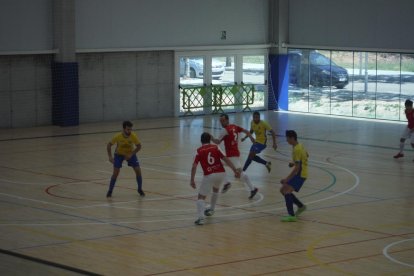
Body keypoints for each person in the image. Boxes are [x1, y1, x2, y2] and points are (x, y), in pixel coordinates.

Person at [190, 132, 240, 225]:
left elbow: (194, 166)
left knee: (201, 197)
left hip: (209, 174)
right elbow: (226, 159)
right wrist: (234, 170)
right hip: (221, 173)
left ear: (201, 141)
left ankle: (201, 218)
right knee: (215, 189)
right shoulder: (216, 147)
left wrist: (192, 179)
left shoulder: (198, 151)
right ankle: (211, 209)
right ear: (209, 140)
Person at [210, 113, 259, 199]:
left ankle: (250, 188)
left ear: (227, 120)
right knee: (218, 165)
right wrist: (251, 138)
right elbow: (246, 131)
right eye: (220, 121)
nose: (222, 122)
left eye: (223, 120)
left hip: (231, 155)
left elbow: (217, 142)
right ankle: (250, 188)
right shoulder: (234, 126)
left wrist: (211, 137)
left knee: (239, 172)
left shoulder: (225, 130)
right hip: (233, 154)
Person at [106, 120, 145, 198]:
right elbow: (109, 145)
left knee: (138, 170)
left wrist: (131, 154)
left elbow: (139, 146)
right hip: (119, 154)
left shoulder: (133, 136)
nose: (129, 131)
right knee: (116, 172)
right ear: (124, 129)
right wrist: (110, 157)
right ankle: (110, 191)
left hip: (130, 154)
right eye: (128, 129)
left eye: (130, 129)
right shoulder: (118, 136)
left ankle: (140, 189)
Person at [280, 130, 308, 222]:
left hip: (300, 174)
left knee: (286, 191)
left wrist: (286, 179)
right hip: (302, 173)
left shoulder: (296, 149)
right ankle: (301, 206)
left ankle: (291, 216)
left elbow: (297, 168)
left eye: (287, 138)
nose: (286, 140)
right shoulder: (299, 146)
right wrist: (294, 163)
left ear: (292, 138)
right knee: (283, 190)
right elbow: (307, 155)